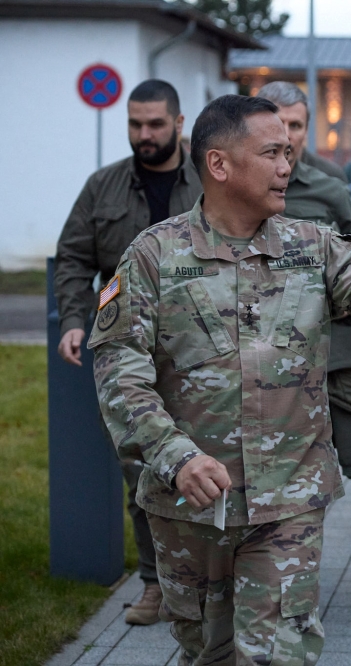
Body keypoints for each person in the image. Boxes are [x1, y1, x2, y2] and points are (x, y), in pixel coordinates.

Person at [89, 94, 351, 664]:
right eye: (272, 152)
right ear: (219, 164)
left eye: (289, 150)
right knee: (208, 654)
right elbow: (119, 374)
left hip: (289, 500)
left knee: (276, 656)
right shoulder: (154, 256)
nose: (287, 165)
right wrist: (173, 454)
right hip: (189, 505)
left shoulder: (312, 245)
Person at [53, 79, 201, 625]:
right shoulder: (104, 186)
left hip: (201, 351)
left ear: (179, 123)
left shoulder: (212, 178)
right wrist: (73, 318)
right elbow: (72, 257)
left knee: (208, 463)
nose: (145, 134)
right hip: (129, 353)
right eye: (135, 124)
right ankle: (155, 585)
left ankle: (213, 586)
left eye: (155, 124)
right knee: (143, 468)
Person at [256, 81, 351, 503]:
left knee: (328, 461)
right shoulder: (235, 184)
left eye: (296, 124)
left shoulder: (331, 184)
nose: (288, 134)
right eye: (278, 122)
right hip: (252, 348)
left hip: (322, 351)